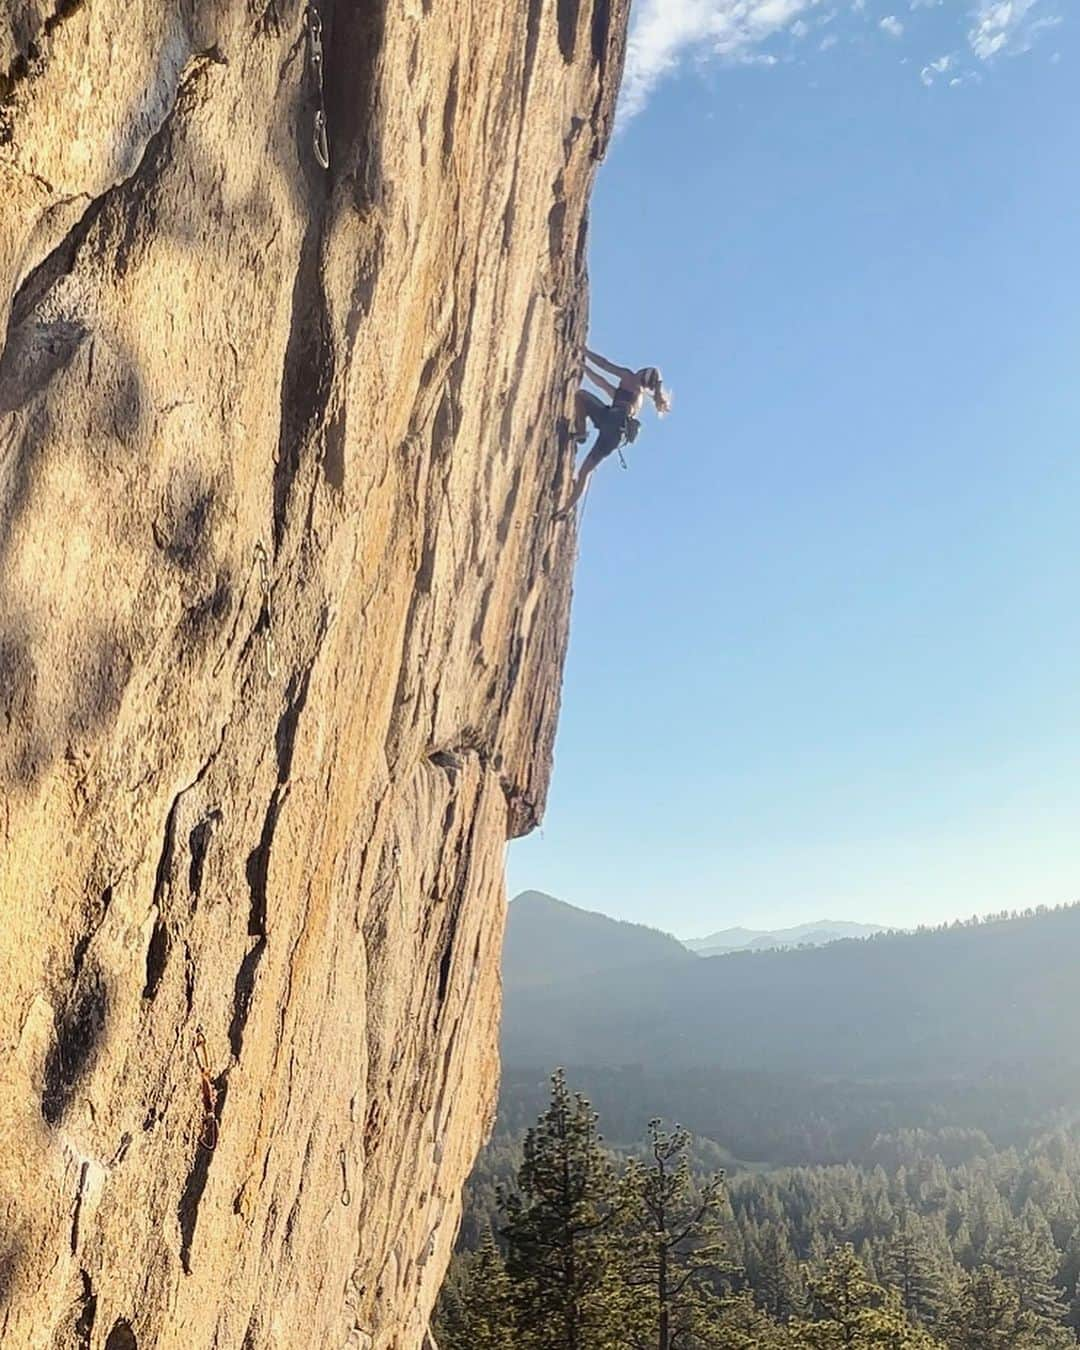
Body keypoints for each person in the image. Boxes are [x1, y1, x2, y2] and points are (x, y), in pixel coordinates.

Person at [554, 348, 671, 519]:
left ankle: (581, 432)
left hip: (609, 419)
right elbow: (603, 384)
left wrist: (583, 351)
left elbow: (605, 365)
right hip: (616, 435)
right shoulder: (637, 399)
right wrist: (583, 367)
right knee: (585, 472)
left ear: (643, 373)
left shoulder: (630, 377)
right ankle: (565, 510)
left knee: (580, 396)